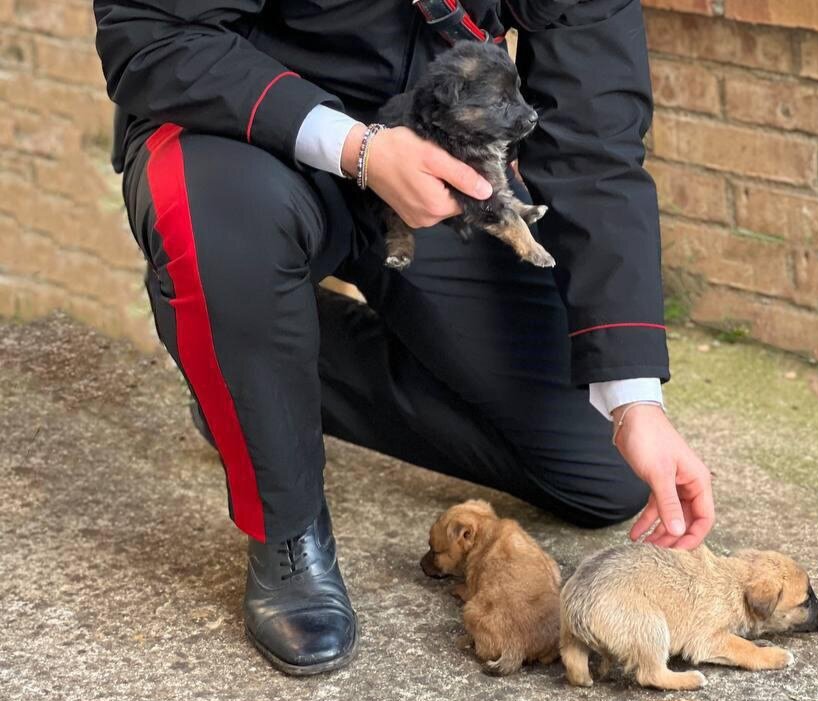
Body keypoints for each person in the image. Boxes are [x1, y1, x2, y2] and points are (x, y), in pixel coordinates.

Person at [94, 0, 715, 676]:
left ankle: (248, 369)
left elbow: (596, 136)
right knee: (213, 220)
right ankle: (285, 522)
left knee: (599, 474)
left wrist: (635, 399)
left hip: (436, 154)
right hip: (248, 136)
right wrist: (358, 149)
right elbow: (151, 37)